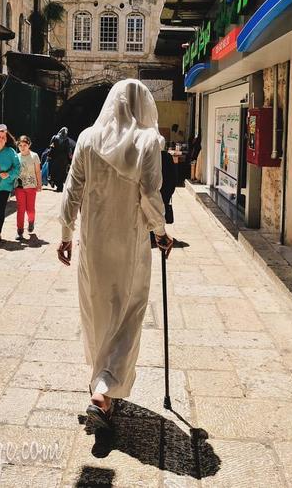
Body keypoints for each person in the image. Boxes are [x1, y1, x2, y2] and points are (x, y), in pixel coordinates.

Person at [57, 79, 173, 429]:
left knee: (96, 310)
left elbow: (71, 190)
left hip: (92, 244)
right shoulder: (147, 142)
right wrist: (162, 233)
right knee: (129, 313)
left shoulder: (88, 140)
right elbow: (152, 196)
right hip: (130, 244)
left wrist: (65, 235)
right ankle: (104, 391)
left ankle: (99, 380)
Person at [15, 135, 41, 240]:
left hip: (31, 186)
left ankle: (31, 221)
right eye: (20, 145)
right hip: (19, 186)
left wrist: (39, 184)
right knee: (20, 209)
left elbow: (38, 171)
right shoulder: (16, 157)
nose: (22, 147)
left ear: (29, 145)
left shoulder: (34, 156)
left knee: (30, 208)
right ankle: (19, 230)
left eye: (24, 145)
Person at [49, 127, 75, 192]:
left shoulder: (54, 138)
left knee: (54, 171)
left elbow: (52, 147)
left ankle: (55, 183)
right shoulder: (66, 140)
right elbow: (68, 150)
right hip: (63, 160)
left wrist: (49, 155)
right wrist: (70, 158)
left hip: (55, 158)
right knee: (61, 173)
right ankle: (60, 187)